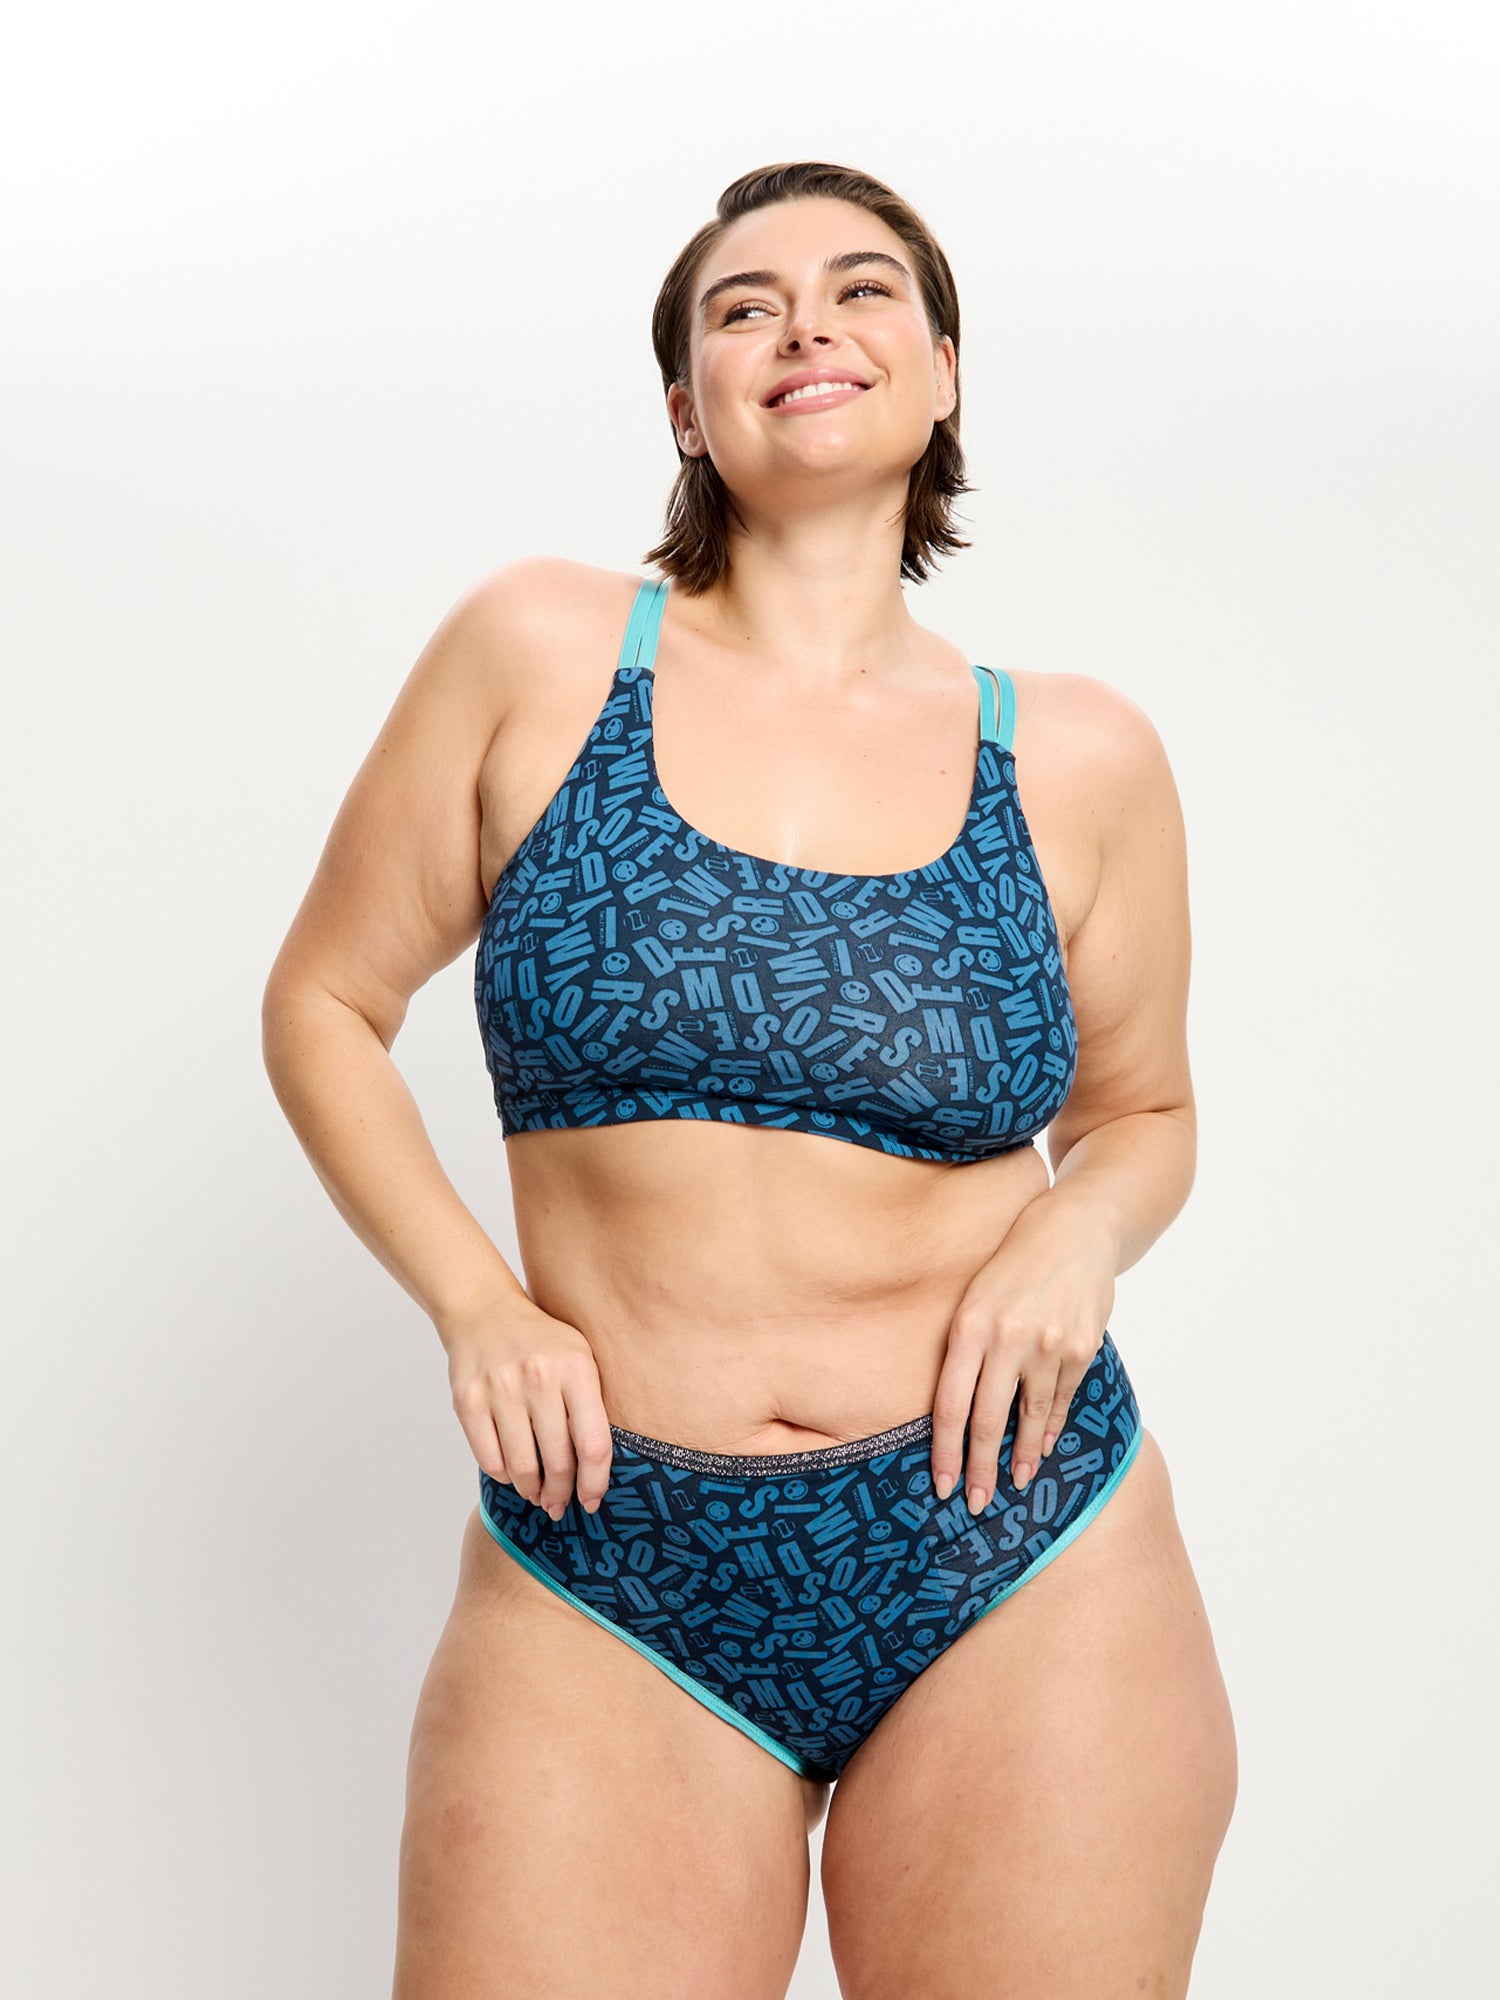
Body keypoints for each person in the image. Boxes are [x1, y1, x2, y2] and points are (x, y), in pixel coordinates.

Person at [262, 160, 1238, 2000]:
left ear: (943, 374)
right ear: (685, 407)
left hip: (1019, 1550)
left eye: (865, 291)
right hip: (607, 1548)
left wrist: (1076, 1236)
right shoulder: (541, 655)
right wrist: (479, 1307)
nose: (805, 324)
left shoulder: (1077, 756)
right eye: (743, 305)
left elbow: (1146, 1115)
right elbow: (323, 1001)